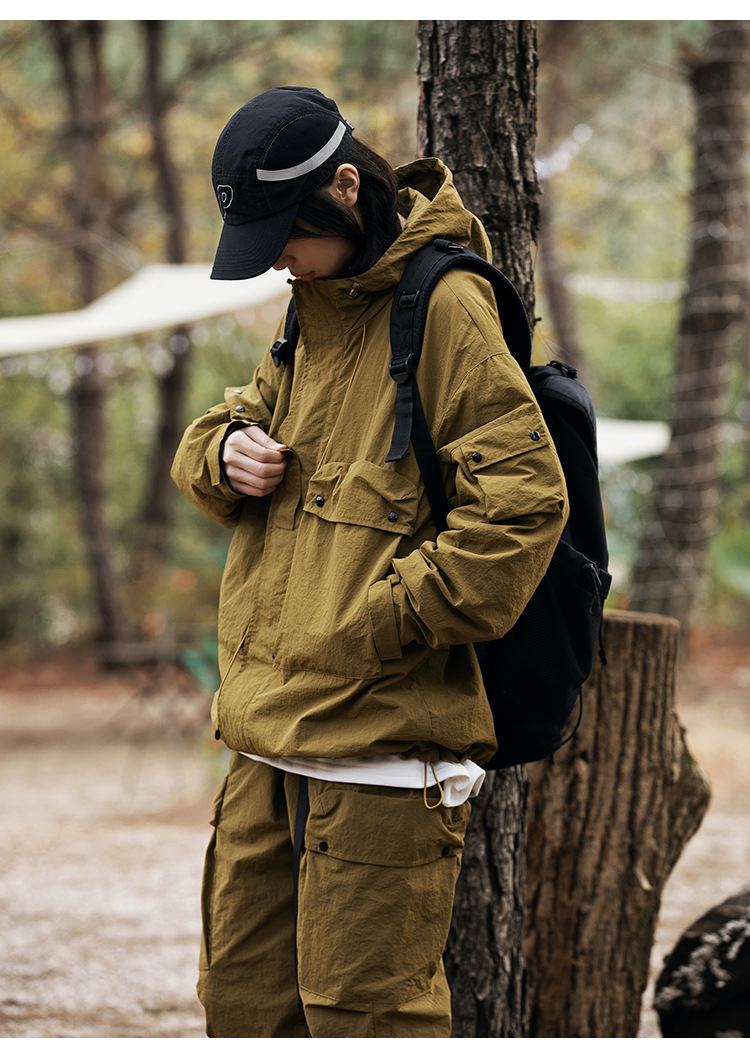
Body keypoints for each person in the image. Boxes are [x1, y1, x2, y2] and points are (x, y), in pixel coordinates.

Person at [171, 86, 567, 1039]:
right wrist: (225, 453)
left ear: (346, 188)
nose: (276, 258)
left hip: (381, 751)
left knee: (366, 1020)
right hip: (266, 742)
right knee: (245, 1010)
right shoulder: (312, 308)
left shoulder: (447, 305)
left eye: (285, 234)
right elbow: (228, 424)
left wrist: (379, 625)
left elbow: (521, 508)